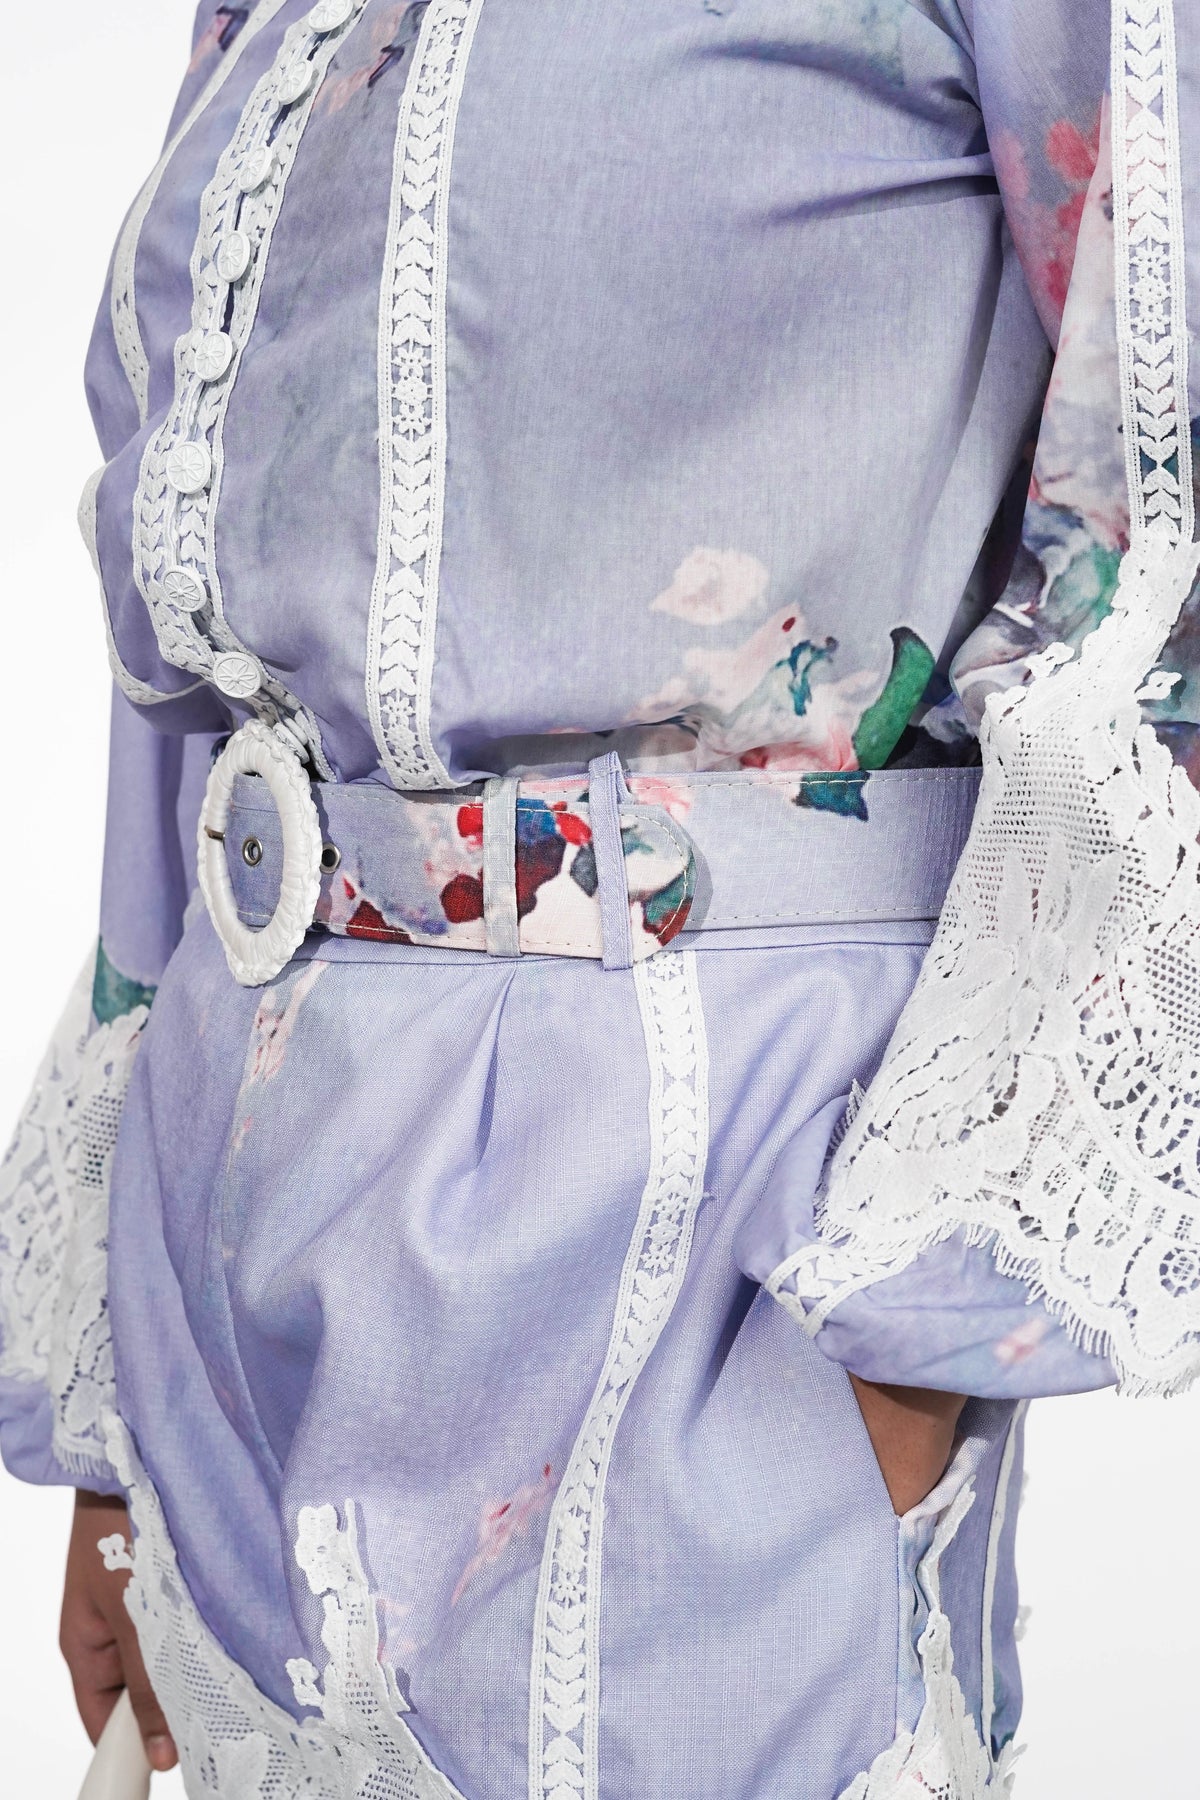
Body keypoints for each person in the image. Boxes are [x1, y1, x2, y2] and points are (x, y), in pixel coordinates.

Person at [0, 1, 1193, 1794]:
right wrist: (118, 1422)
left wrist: (924, 1334)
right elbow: (202, 699)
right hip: (231, 1282)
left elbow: (1164, 520)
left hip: (709, 1238)